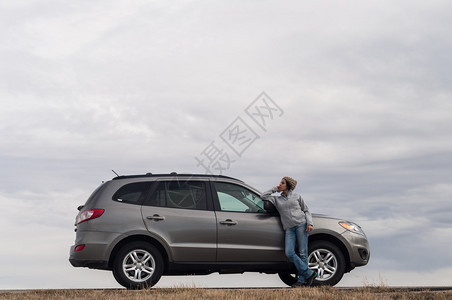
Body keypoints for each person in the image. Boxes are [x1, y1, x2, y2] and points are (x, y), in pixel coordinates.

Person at [262, 176, 317, 287]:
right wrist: (274, 189)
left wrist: (309, 223)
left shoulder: (297, 197)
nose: (280, 184)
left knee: (302, 253)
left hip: (301, 225)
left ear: (288, 185)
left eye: (282, 183)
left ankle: (301, 281)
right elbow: (263, 196)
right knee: (289, 252)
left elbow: (306, 210)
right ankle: (309, 273)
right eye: (280, 183)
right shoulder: (277, 199)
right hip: (289, 228)